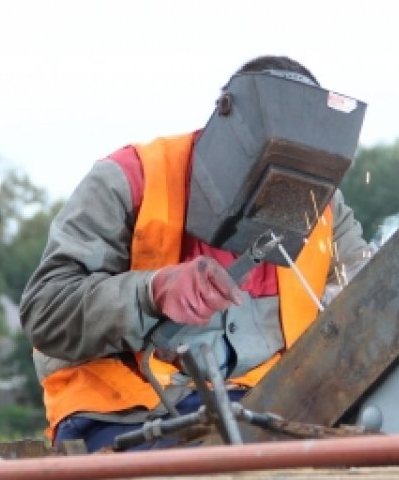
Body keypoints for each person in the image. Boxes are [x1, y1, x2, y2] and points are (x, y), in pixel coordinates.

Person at [19, 55, 372, 453]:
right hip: (122, 413)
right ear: (224, 126)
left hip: (256, 409)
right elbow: (44, 312)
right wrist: (151, 292)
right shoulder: (129, 179)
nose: (275, 194)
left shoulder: (319, 205)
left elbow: (366, 302)